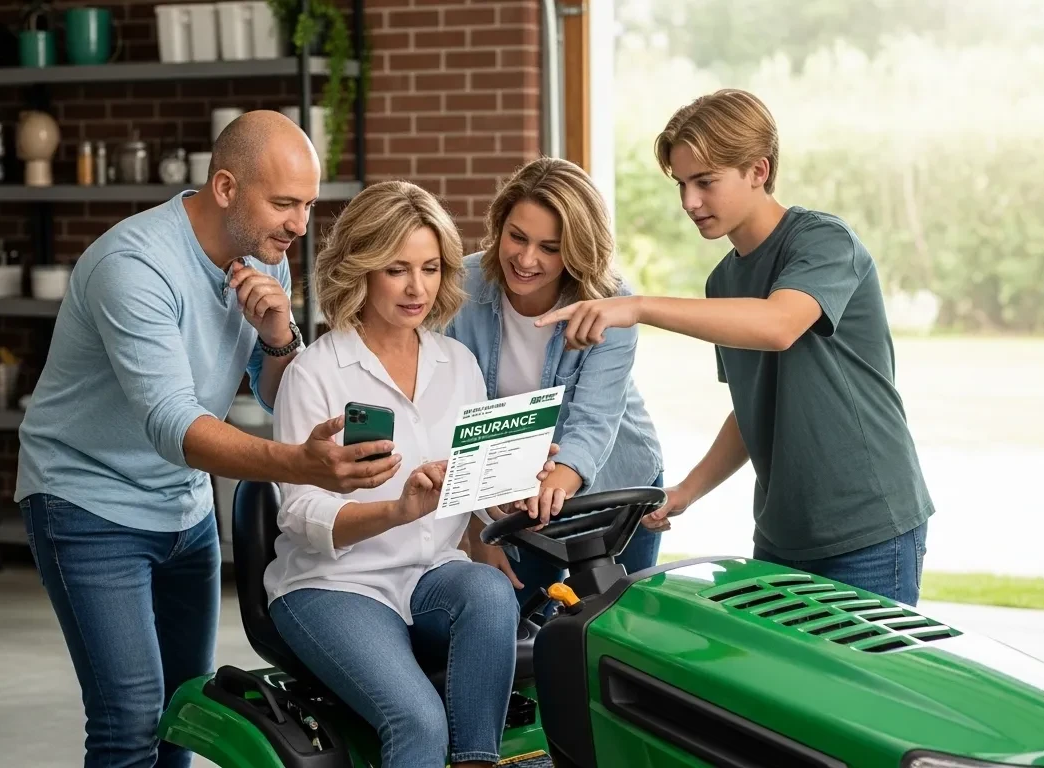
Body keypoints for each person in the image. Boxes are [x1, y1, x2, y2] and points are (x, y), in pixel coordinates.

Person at [14, 111, 402, 768]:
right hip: (86, 503)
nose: (300, 225)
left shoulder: (264, 262)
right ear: (225, 187)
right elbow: (173, 426)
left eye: (308, 204)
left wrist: (280, 336)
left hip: (183, 508)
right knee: (130, 716)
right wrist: (303, 467)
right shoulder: (134, 266)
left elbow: (280, 396)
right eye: (284, 203)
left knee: (182, 710)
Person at [537, 89, 934, 605]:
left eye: (705, 182)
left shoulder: (823, 243)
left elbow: (779, 324)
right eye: (681, 184)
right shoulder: (724, 281)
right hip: (781, 533)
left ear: (758, 170)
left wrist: (637, 307)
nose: (688, 202)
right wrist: (687, 491)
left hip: (869, 527)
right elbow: (753, 411)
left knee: (866, 687)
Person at [264, 180, 556, 768]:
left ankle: (477, 760)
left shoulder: (459, 364)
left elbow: (473, 492)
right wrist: (398, 511)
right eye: (397, 269)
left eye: (429, 267)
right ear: (362, 270)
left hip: (430, 574)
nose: (417, 287)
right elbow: (299, 517)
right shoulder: (315, 374)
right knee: (417, 721)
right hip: (333, 585)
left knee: (489, 589)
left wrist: (508, 490)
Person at [446, 156, 665, 603]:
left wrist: (553, 487)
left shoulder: (610, 304)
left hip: (614, 486)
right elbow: (450, 418)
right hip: (512, 496)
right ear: (499, 226)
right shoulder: (460, 288)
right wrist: (476, 528)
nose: (526, 259)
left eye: (549, 247)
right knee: (521, 621)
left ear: (577, 249)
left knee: (621, 630)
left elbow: (594, 423)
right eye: (517, 237)